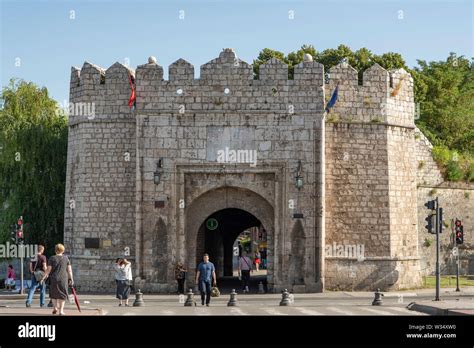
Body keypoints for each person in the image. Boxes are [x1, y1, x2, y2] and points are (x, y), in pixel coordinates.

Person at [41, 244, 74, 315]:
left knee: (53, 294)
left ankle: (55, 308)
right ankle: (61, 311)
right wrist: (71, 279)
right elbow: (69, 270)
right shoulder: (66, 258)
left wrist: (43, 277)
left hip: (53, 278)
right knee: (63, 295)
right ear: (63, 250)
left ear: (55, 250)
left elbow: (48, 270)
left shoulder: (52, 258)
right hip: (63, 279)